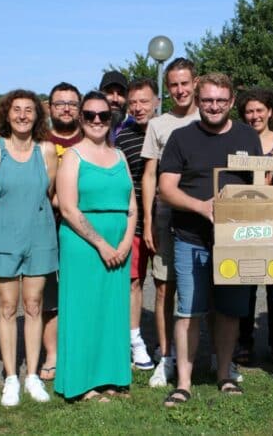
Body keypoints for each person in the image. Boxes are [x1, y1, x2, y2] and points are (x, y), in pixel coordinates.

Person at [158, 73, 262, 407]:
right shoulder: (181, 138)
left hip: (236, 239)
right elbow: (167, 188)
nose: (214, 106)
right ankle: (184, 383)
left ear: (232, 102)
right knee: (189, 311)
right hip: (191, 237)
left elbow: (258, 182)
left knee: (230, 312)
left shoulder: (248, 136)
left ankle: (224, 376)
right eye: (207, 101)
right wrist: (201, 207)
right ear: (198, 101)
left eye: (220, 100)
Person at [55, 90, 137, 402]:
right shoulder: (73, 157)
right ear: (81, 118)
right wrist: (102, 245)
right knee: (84, 311)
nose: (97, 120)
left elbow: (132, 204)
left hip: (119, 242)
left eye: (104, 115)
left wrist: (127, 240)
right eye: (90, 115)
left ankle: (112, 377)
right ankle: (82, 381)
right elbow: (68, 209)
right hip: (84, 244)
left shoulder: (120, 156)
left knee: (112, 312)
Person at [0, 89, 58, 406]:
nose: (23, 115)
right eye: (16, 110)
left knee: (35, 305)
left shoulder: (47, 151)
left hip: (40, 237)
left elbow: (48, 193)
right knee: (8, 308)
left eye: (29, 110)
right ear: (6, 115)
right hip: (3, 239)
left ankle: (33, 376)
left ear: (38, 116)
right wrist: (0, 231)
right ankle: (11, 378)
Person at [140, 58, 201, 387]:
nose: (180, 90)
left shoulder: (211, 117)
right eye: (174, 84)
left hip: (205, 215)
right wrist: (149, 218)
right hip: (166, 215)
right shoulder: (158, 125)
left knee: (206, 287)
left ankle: (207, 355)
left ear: (195, 82)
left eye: (184, 83)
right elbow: (150, 174)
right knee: (164, 287)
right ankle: (166, 357)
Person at [234, 87, 273, 365]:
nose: (254, 116)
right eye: (249, 111)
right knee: (246, 281)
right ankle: (244, 342)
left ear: (270, 111)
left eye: (259, 110)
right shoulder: (237, 141)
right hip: (244, 221)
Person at [115, 78, 160, 371]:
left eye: (144, 101)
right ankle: (136, 342)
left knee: (167, 285)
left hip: (167, 220)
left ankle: (165, 344)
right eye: (133, 103)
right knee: (133, 283)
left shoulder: (173, 129)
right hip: (134, 223)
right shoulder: (123, 136)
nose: (138, 108)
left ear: (156, 101)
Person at [40, 82, 83, 382]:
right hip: (45, 227)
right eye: (60, 103)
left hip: (81, 227)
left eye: (72, 103)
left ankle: (79, 351)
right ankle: (52, 355)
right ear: (50, 107)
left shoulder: (93, 137)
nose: (66, 108)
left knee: (81, 291)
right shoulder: (37, 141)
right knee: (49, 297)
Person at [99, 70, 134, 145]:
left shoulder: (135, 127)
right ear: (100, 95)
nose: (115, 99)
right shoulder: (89, 126)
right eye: (110, 92)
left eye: (120, 94)